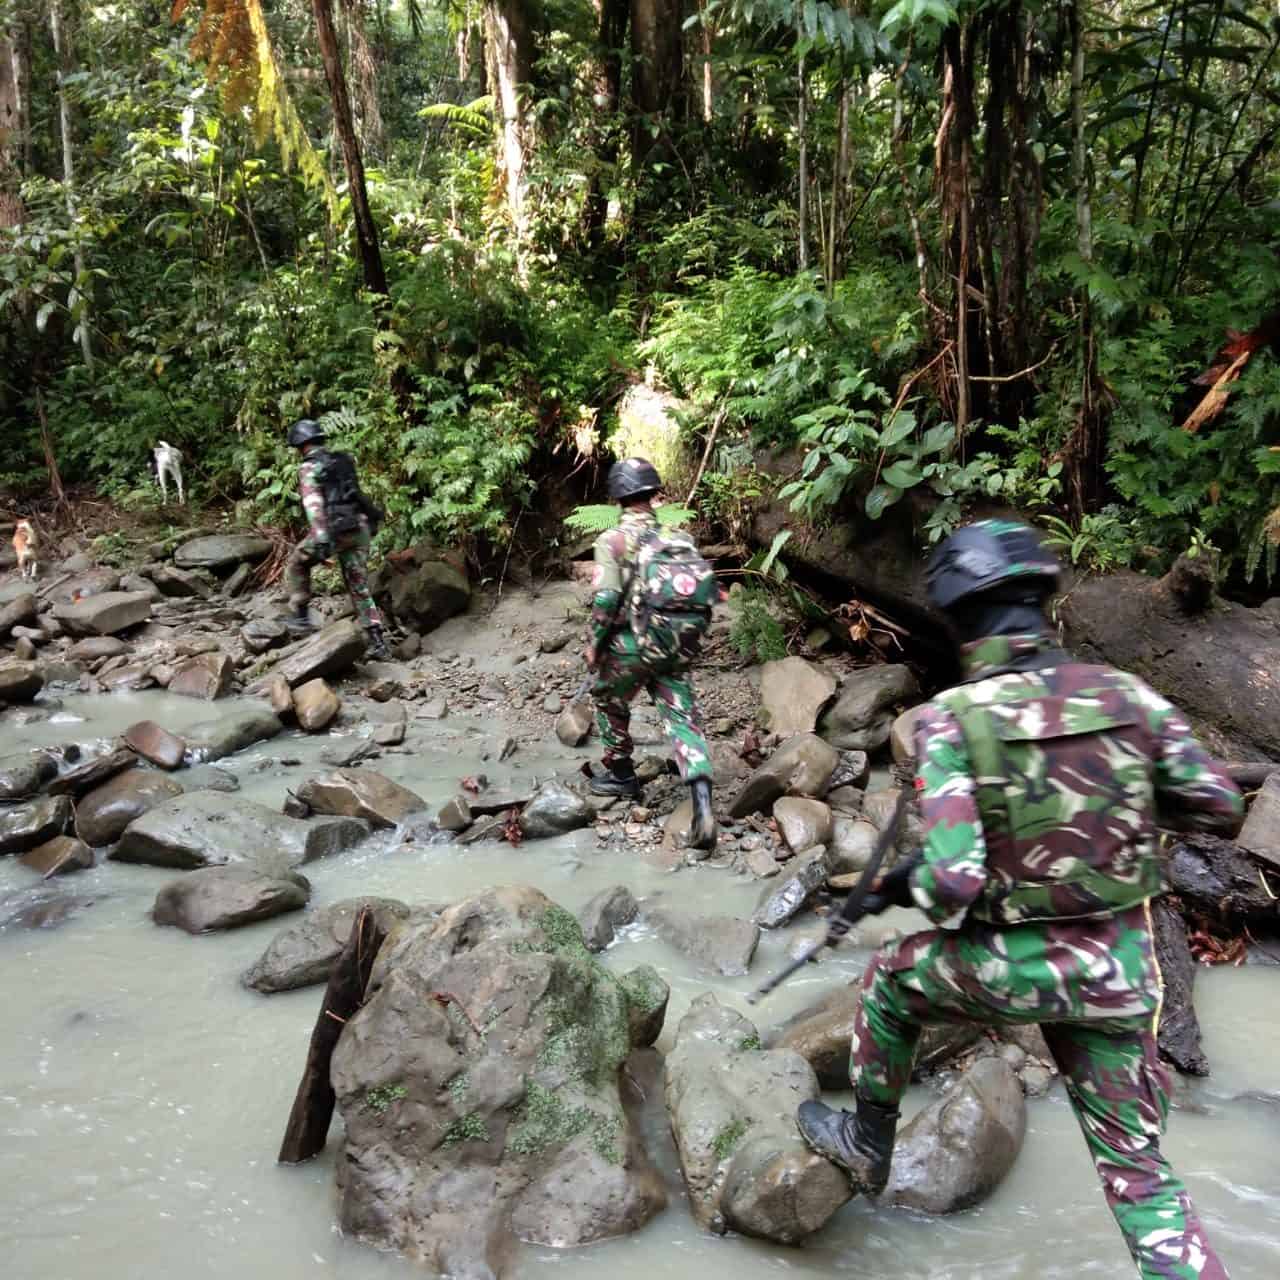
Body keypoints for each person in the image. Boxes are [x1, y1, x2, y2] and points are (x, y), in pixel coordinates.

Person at [796, 518, 1243, 1280]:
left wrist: (900, 884)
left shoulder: (949, 722)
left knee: (892, 978)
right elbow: (1217, 804)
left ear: (958, 616)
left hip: (1017, 968)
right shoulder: (1121, 694)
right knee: (1140, 1179)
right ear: (1042, 600)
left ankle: (868, 1142)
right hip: (1123, 974)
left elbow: (957, 880)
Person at [585, 457, 717, 850]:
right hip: (673, 645)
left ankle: (621, 772)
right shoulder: (679, 539)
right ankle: (703, 803)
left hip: (630, 647)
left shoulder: (611, 542)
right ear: (652, 493)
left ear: (618, 497)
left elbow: (607, 599)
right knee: (683, 718)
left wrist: (594, 645)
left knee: (606, 696)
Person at [283, 418, 391, 660]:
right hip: (359, 528)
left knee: (298, 562)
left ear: (300, 445)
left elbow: (313, 504)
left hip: (334, 530)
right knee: (358, 585)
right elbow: (355, 495)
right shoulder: (341, 460)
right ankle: (378, 642)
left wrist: (321, 540)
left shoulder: (308, 468)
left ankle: (300, 617)